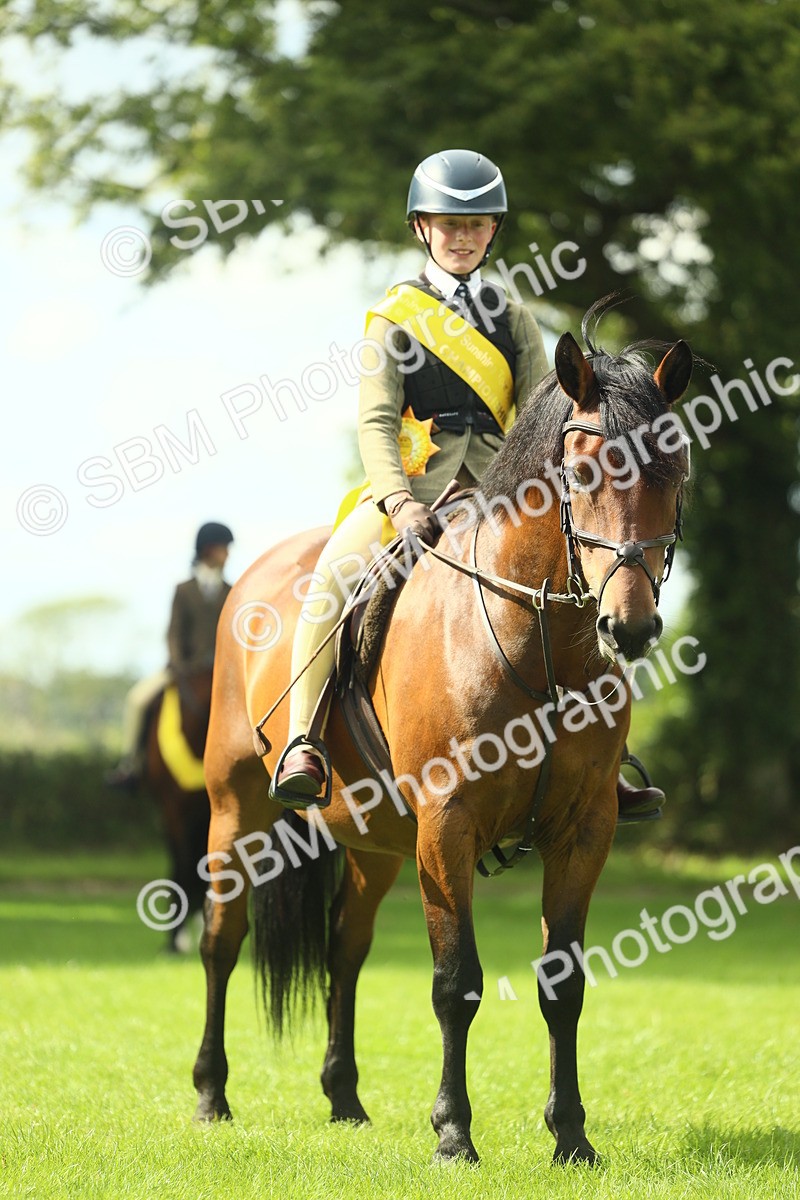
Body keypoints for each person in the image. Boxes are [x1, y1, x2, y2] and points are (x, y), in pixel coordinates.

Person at [270, 149, 664, 821]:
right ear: (421, 228)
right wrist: (396, 500)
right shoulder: (393, 317)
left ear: (492, 233)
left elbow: (547, 415)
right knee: (333, 577)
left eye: (476, 224)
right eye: (447, 224)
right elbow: (374, 421)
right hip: (412, 490)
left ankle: (604, 759)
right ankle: (304, 741)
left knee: (594, 584)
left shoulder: (512, 316)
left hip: (502, 493)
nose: (462, 236)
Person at [106, 521, 234, 789]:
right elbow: (174, 633)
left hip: (224, 671)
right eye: (224, 549)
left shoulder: (231, 591)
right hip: (184, 668)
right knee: (137, 700)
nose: (228, 554)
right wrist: (179, 665)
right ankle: (131, 764)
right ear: (210, 550)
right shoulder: (184, 590)